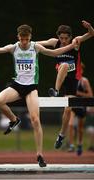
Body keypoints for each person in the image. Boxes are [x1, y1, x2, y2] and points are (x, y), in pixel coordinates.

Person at [0, 24, 78, 167]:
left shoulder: (35, 47)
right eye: (22, 39)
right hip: (17, 86)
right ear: (18, 37)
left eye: (27, 39)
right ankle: (14, 119)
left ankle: (39, 154)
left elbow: (55, 53)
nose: (24, 42)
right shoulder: (14, 47)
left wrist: (71, 46)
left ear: (30, 37)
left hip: (31, 88)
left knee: (36, 120)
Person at [37, 20, 94, 149]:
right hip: (61, 77)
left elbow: (91, 34)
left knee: (67, 109)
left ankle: (61, 136)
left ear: (70, 37)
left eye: (65, 38)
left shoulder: (76, 42)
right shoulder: (54, 42)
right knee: (64, 65)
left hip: (72, 80)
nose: (63, 41)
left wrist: (89, 27)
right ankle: (56, 91)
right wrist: (25, 43)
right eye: (61, 38)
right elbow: (38, 44)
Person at [68, 62, 93, 155]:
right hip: (73, 105)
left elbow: (90, 95)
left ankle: (80, 144)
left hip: (82, 106)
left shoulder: (84, 81)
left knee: (80, 128)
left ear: (81, 70)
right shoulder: (71, 80)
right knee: (70, 124)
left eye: (79, 69)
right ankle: (71, 145)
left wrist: (79, 93)